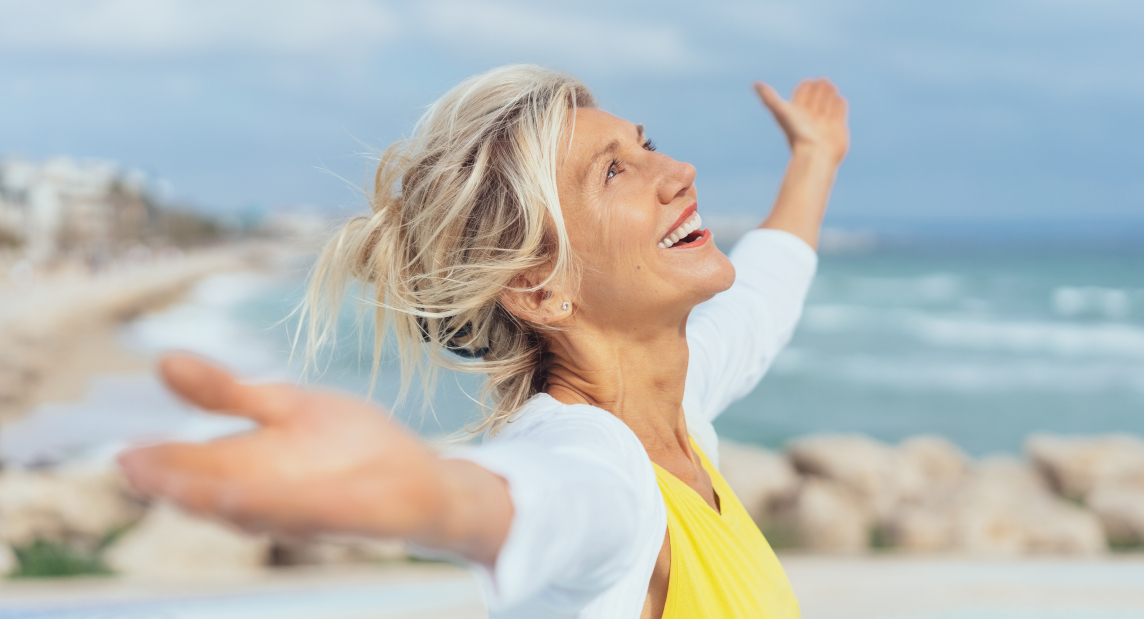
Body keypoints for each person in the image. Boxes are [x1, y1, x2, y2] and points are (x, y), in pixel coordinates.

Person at [119, 64, 849, 619]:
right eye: (615, 171)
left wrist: (813, 157)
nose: (678, 171)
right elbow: (541, 501)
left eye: (645, 144)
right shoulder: (606, 470)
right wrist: (422, 492)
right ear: (540, 287)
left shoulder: (677, 410)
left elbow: (763, 295)